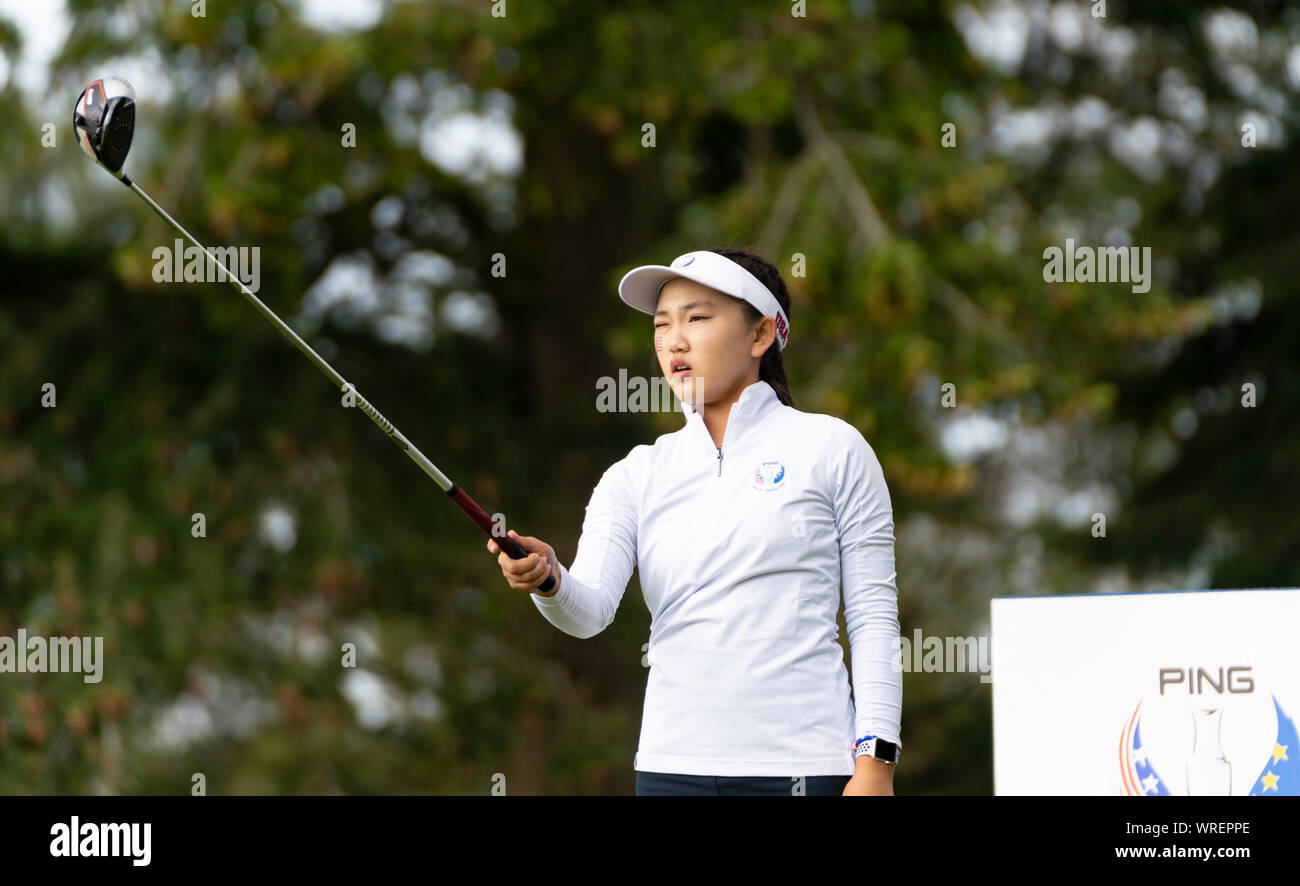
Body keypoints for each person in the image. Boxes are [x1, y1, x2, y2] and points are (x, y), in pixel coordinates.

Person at [488, 247, 902, 796]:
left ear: (759, 336)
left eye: (697, 318)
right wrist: (547, 578)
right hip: (670, 767)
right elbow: (589, 611)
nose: (673, 341)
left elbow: (873, 616)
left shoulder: (833, 448)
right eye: (662, 325)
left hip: (806, 766)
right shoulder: (636, 473)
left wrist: (875, 764)